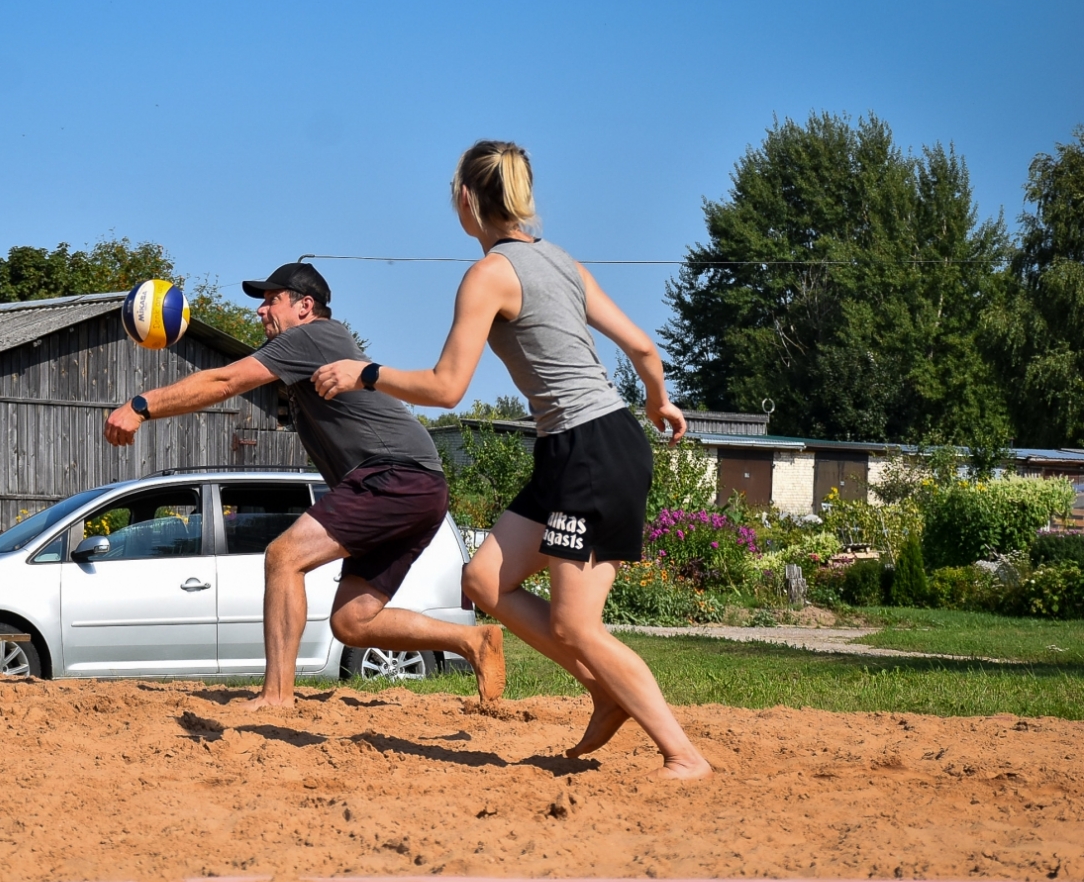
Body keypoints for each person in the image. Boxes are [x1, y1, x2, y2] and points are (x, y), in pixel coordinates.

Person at [311, 141, 712, 780]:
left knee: (576, 624)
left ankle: (682, 753)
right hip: (577, 444)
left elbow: (447, 387)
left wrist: (368, 373)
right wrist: (659, 404)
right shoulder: (563, 263)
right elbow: (643, 349)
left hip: (590, 450)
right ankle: (605, 689)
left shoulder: (490, 274)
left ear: (466, 200)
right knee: (485, 580)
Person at [103, 262, 506, 709]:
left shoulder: (312, 336)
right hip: (414, 484)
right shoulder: (307, 351)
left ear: (305, 306)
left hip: (395, 476)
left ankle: (277, 695)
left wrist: (142, 405)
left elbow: (225, 381)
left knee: (283, 556)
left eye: (271, 299)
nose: (260, 310)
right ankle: (473, 641)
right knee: (353, 622)